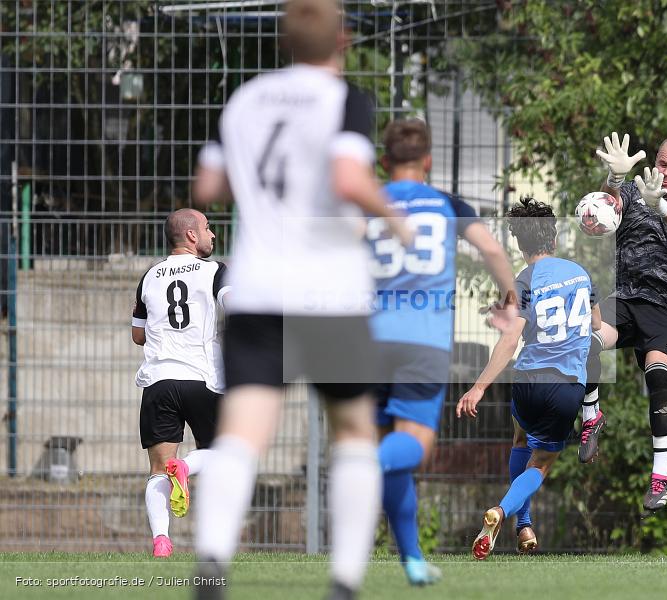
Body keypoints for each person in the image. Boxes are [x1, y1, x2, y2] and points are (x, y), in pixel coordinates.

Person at [190, 1, 412, 599]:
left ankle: (212, 557)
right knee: (353, 431)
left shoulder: (246, 99)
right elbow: (346, 178)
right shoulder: (346, 99)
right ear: (341, 39)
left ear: (284, 39)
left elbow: (208, 186)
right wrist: (393, 216)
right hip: (331, 293)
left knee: (241, 433)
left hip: (259, 289)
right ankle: (343, 581)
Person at [369, 118, 516, 583]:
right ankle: (363, 467)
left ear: (384, 162)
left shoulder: (367, 201)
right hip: (421, 342)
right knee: (411, 448)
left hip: (368, 339)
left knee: (390, 454)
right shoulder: (446, 205)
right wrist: (511, 297)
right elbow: (492, 250)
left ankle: (412, 558)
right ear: (428, 161)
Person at [456, 198, 601, 560]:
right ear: (552, 236)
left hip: (527, 380)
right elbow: (596, 325)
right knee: (541, 465)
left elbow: (510, 339)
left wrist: (479, 386)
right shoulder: (581, 274)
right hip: (566, 386)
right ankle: (502, 513)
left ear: (520, 244)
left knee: (520, 437)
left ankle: (524, 526)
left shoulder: (523, 281)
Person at [579, 132, 667, 514]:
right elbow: (606, 207)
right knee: (583, 338)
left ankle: (660, 475)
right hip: (626, 299)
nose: (666, 172)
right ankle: (591, 415)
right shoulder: (639, 191)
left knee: (658, 374)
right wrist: (616, 179)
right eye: (661, 163)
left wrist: (662, 207)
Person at [131, 208, 229, 558]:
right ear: (190, 235)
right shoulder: (215, 271)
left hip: (158, 382)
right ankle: (186, 467)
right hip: (202, 379)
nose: (212, 235)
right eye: (207, 228)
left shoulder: (150, 276)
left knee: (157, 469)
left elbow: (138, 334)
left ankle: (161, 541)